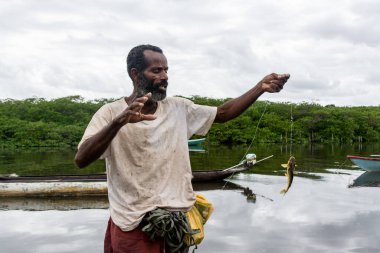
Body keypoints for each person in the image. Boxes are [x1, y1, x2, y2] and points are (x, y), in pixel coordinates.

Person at [75, 44, 290, 253]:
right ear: (136, 74)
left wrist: (259, 88)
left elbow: (223, 113)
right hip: (133, 223)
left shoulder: (178, 108)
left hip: (177, 221)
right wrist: (118, 122)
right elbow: (81, 159)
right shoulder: (110, 113)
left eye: (166, 70)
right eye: (156, 70)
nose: (165, 76)